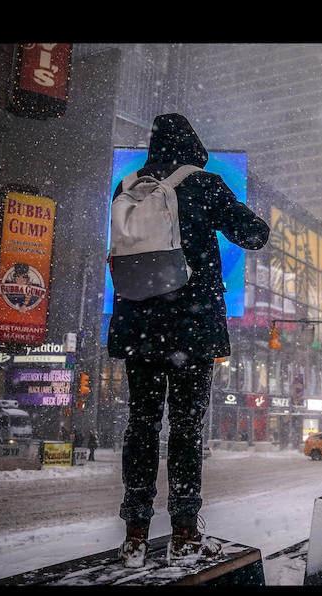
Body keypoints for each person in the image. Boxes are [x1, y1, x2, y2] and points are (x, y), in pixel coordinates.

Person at [108, 113, 269, 568]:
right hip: (189, 327)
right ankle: (183, 532)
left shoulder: (128, 186)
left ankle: (135, 534)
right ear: (192, 143)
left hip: (138, 320)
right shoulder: (204, 183)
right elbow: (254, 234)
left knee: (142, 425)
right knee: (185, 428)